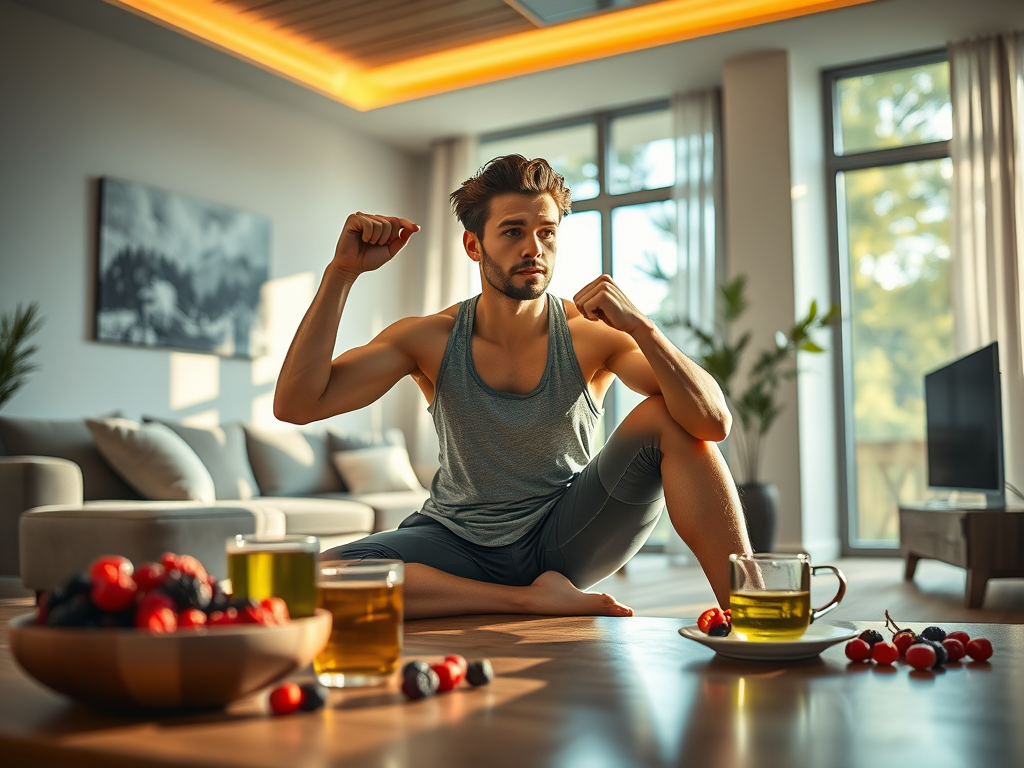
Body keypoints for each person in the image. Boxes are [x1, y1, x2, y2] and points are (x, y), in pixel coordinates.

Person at [274, 154, 751, 619]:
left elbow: (712, 422)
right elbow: (297, 405)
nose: (533, 249)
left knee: (667, 416)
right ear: (473, 246)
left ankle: (754, 611)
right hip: (454, 539)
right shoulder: (428, 338)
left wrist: (642, 327)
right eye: (513, 231)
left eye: (547, 232)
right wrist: (342, 274)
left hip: (568, 535)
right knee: (321, 576)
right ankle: (527, 600)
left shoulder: (591, 334)